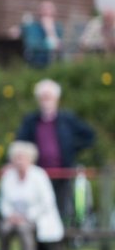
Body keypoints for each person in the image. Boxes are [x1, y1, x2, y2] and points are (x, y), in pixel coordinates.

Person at [14, 79, 95, 225]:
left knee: (61, 209)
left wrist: (72, 148)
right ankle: (40, 246)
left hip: (63, 173)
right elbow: (20, 143)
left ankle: (61, 243)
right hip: (38, 174)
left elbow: (89, 136)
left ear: (56, 98)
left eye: (49, 97)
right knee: (39, 209)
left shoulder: (67, 119)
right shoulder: (31, 121)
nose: (46, 101)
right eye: (43, 97)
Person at [0, 141, 64, 250]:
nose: (19, 161)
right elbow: (4, 201)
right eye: (16, 158)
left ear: (30, 159)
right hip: (13, 217)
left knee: (23, 229)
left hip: (36, 218)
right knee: (4, 228)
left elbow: (47, 202)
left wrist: (27, 216)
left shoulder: (39, 175)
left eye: (22, 158)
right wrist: (10, 215)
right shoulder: (8, 176)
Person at [20, 0, 62, 67]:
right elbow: (33, 45)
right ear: (40, 13)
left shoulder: (58, 28)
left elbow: (61, 48)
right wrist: (51, 45)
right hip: (36, 63)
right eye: (44, 9)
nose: (46, 11)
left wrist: (50, 31)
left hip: (54, 65)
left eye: (49, 9)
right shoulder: (33, 27)